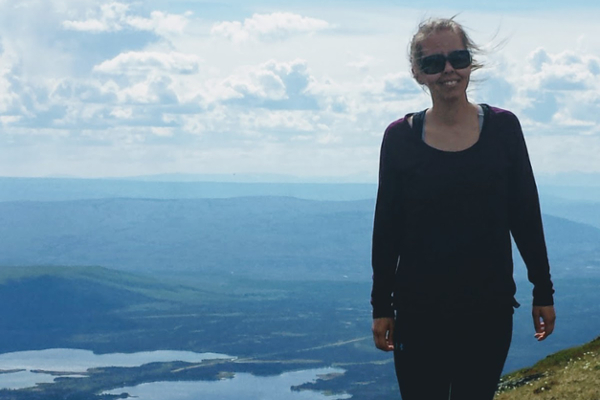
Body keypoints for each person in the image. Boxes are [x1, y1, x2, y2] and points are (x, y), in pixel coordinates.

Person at [370, 17, 556, 400]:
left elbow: (525, 213)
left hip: (488, 309)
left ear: (471, 63)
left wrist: (543, 290)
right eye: (434, 63)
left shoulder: (504, 129)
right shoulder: (400, 138)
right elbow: (387, 228)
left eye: (458, 57)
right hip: (419, 311)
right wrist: (381, 305)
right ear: (418, 73)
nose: (449, 70)